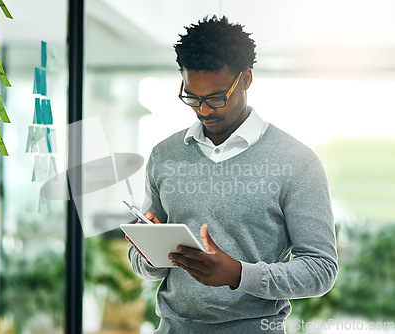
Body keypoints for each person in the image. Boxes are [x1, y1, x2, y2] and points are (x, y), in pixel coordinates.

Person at [126, 16, 338, 333]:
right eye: (192, 97)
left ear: (246, 79)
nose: (204, 110)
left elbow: (321, 270)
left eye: (216, 98)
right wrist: (151, 254)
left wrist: (239, 274)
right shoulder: (164, 155)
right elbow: (143, 264)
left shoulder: (297, 162)